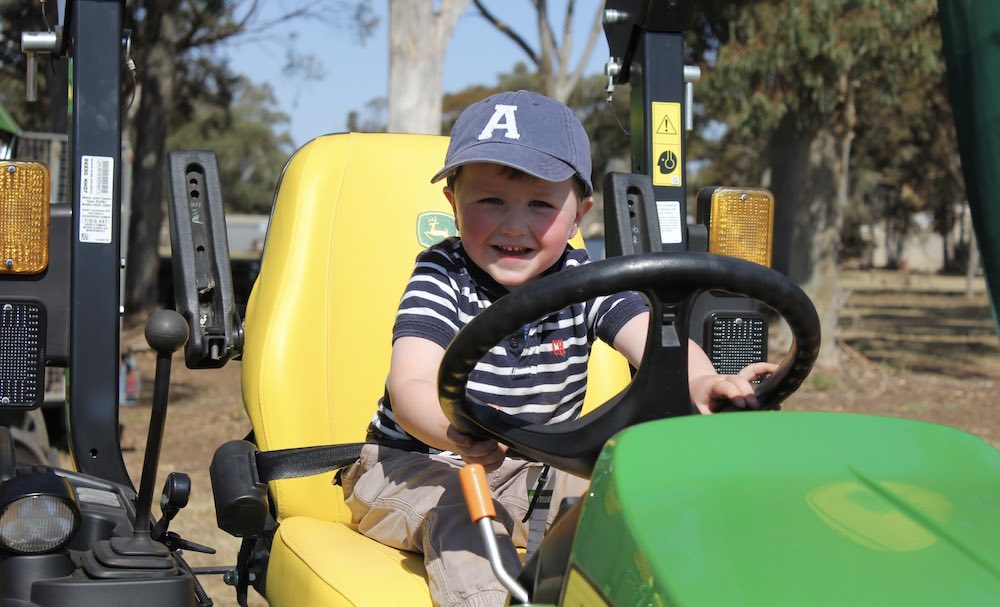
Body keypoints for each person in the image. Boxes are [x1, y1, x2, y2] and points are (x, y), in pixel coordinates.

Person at [340, 90, 776, 607]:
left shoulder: (587, 282)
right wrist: (456, 428)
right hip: (412, 465)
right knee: (464, 509)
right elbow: (411, 383)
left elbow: (660, 345)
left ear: (578, 215)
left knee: (613, 498)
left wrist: (704, 382)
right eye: (490, 201)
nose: (514, 225)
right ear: (454, 204)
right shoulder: (442, 274)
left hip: (530, 467)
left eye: (541, 205)